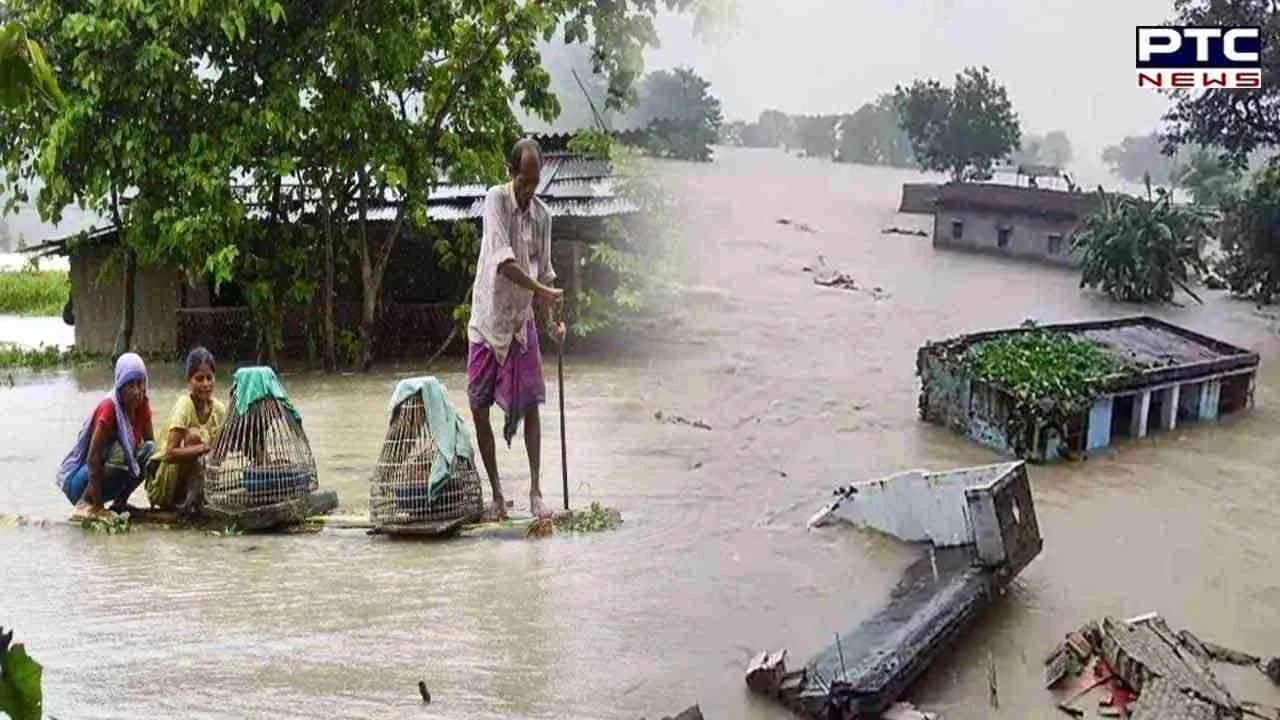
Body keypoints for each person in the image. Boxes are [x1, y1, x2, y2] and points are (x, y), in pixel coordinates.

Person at [467, 137, 566, 521]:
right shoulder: (496, 201)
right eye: (525, 180)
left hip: (521, 324)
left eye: (535, 181)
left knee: (532, 407)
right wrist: (543, 290)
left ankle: (536, 492)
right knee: (478, 407)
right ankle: (495, 495)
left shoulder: (543, 216)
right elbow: (503, 262)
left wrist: (554, 318)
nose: (530, 189)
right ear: (511, 173)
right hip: (489, 319)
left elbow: (548, 271)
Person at [55, 352, 155, 519]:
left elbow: (151, 445)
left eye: (140, 383)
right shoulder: (109, 408)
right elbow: (92, 458)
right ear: (120, 387)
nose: (137, 391)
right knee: (120, 451)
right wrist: (99, 506)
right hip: (83, 482)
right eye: (131, 385)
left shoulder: (142, 404)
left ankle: (120, 502)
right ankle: (86, 503)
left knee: (151, 451)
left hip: (110, 476)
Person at [146, 347, 227, 515]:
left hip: (198, 480)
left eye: (209, 378)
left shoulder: (218, 409)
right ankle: (180, 501)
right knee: (194, 439)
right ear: (189, 380)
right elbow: (169, 453)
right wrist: (203, 448)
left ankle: (201, 497)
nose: (205, 384)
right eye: (199, 379)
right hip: (164, 484)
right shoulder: (184, 405)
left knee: (218, 445)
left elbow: (223, 446)